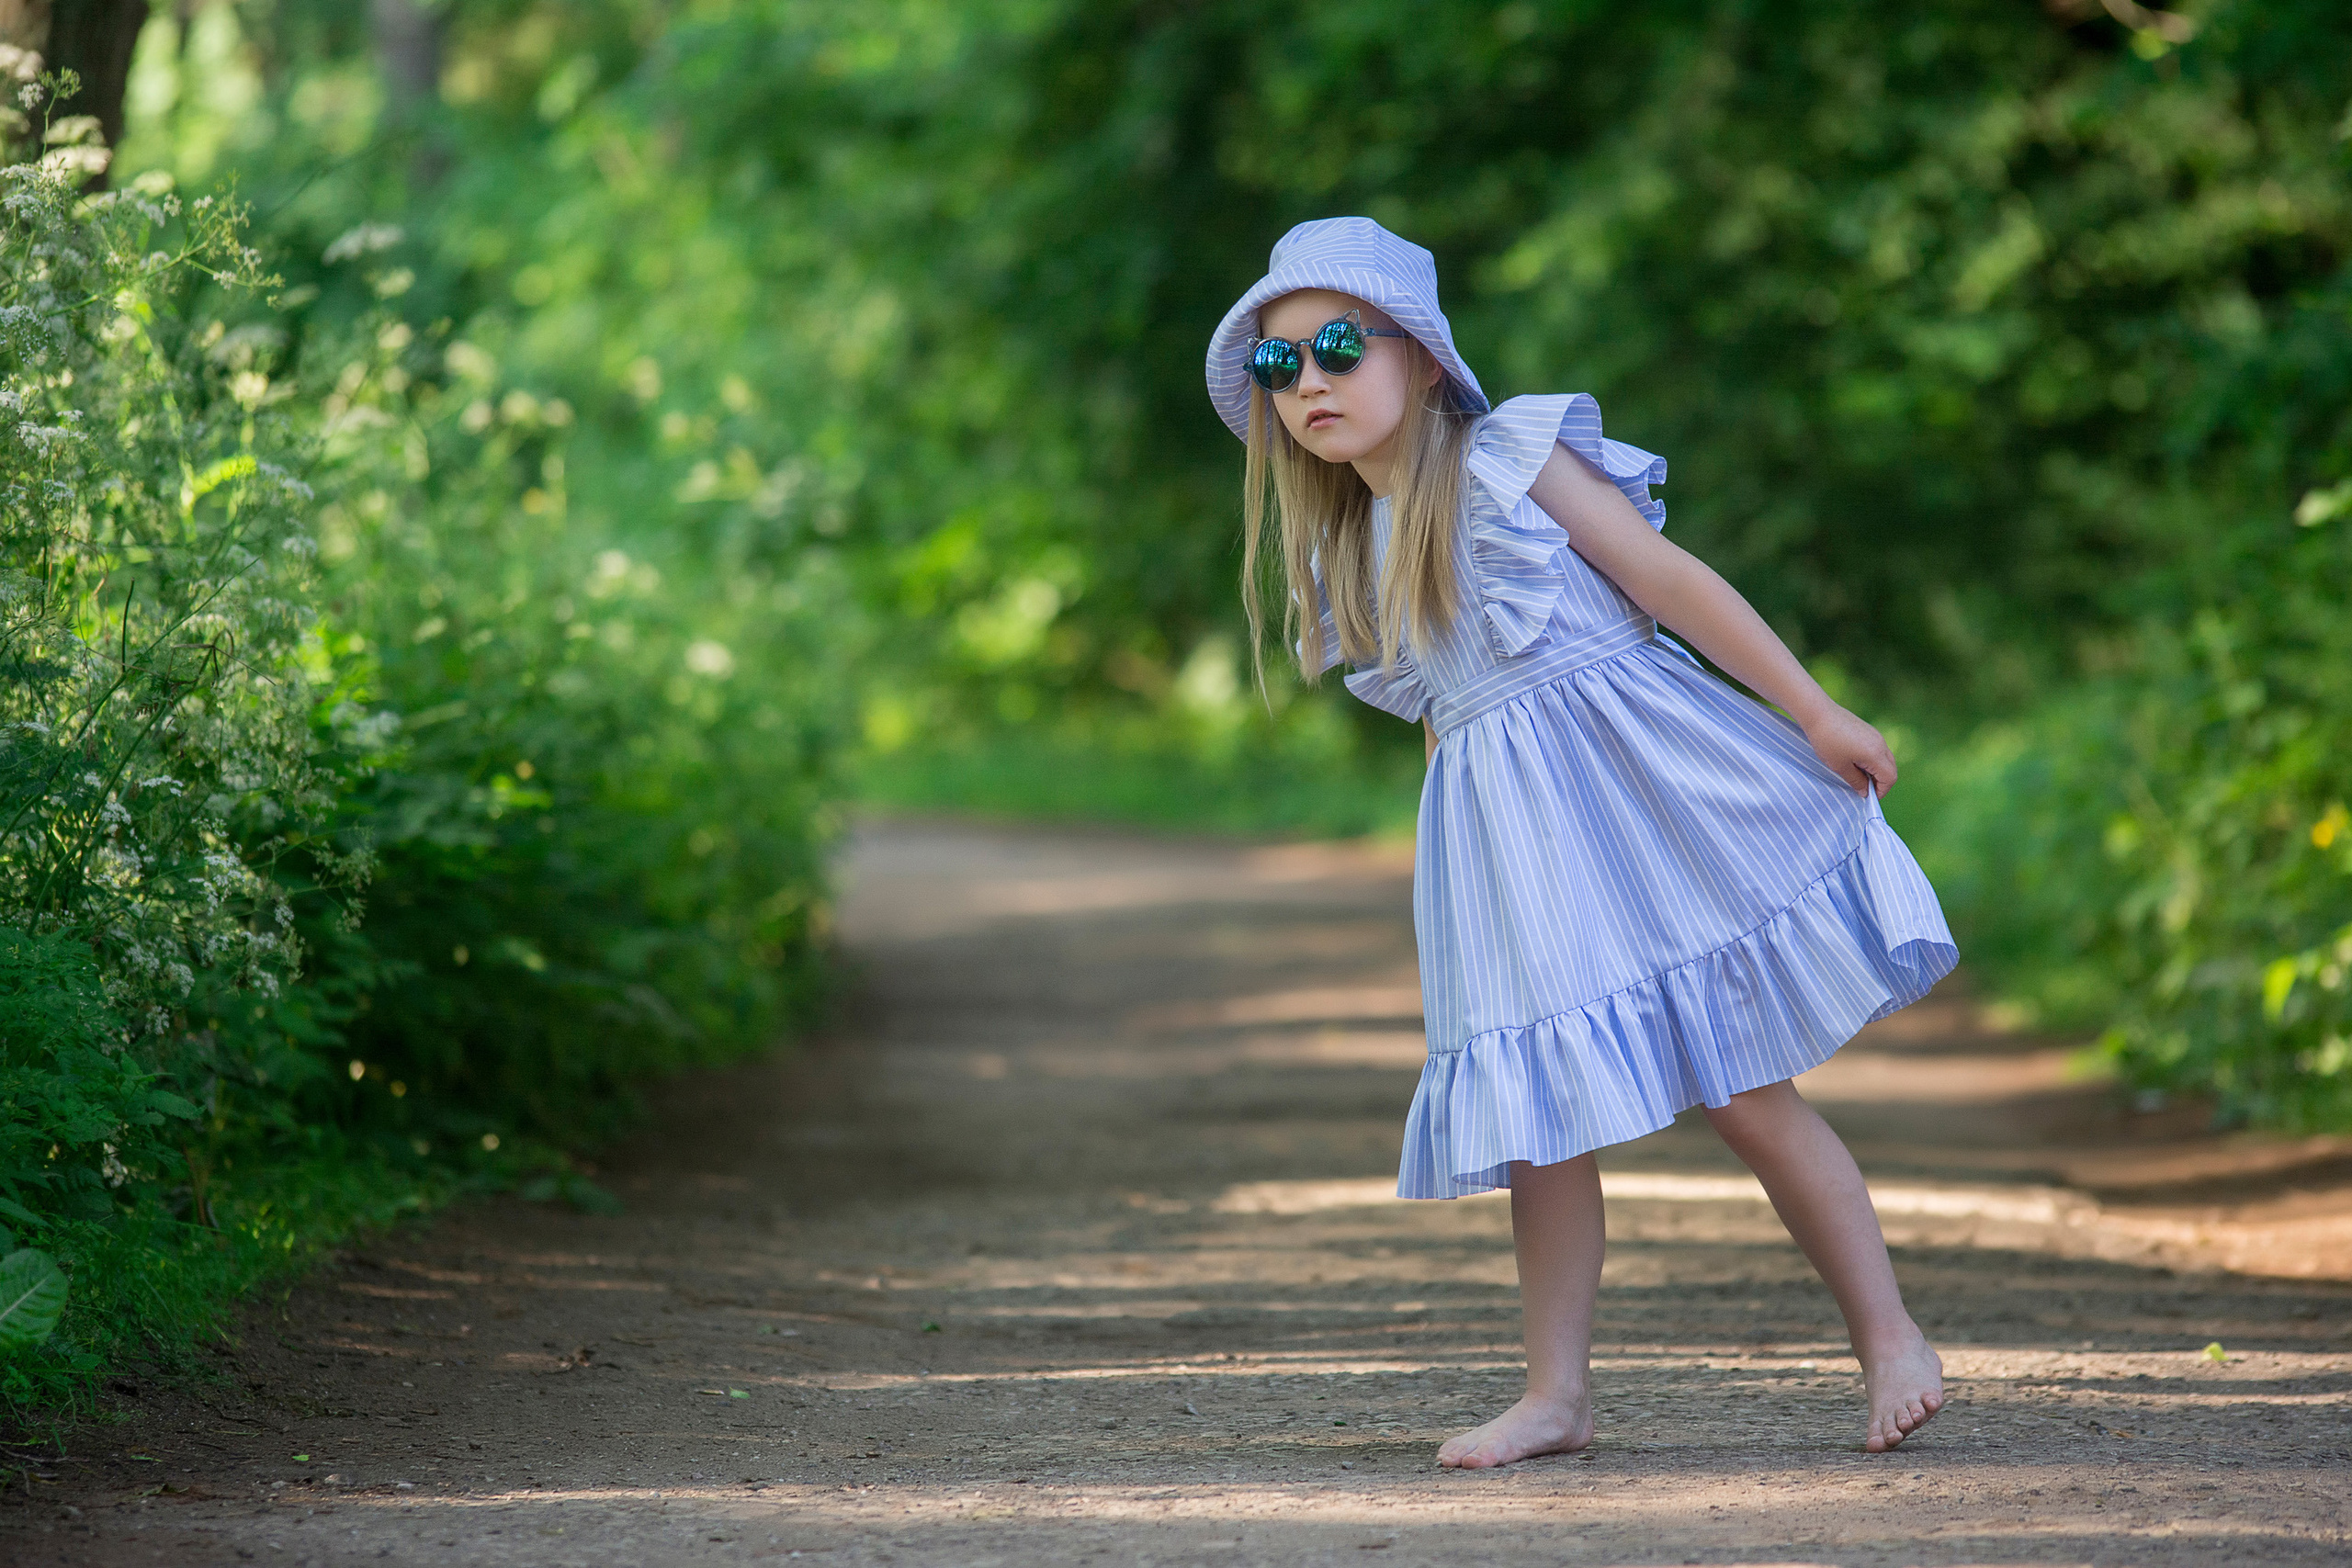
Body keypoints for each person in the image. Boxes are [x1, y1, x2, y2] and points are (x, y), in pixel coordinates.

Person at [1204, 218, 1960, 1465]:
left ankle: (1891, 1339)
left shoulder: (1511, 459)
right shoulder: (1354, 545)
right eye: (1280, 366)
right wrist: (1467, 889)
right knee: (1540, 1123)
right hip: (1516, 853)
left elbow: (1671, 583)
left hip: (1649, 806)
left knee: (1743, 1090)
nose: (1310, 382)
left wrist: (1813, 709)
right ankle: (1556, 1395)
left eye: (1336, 346)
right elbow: (1452, 730)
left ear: (1426, 362)